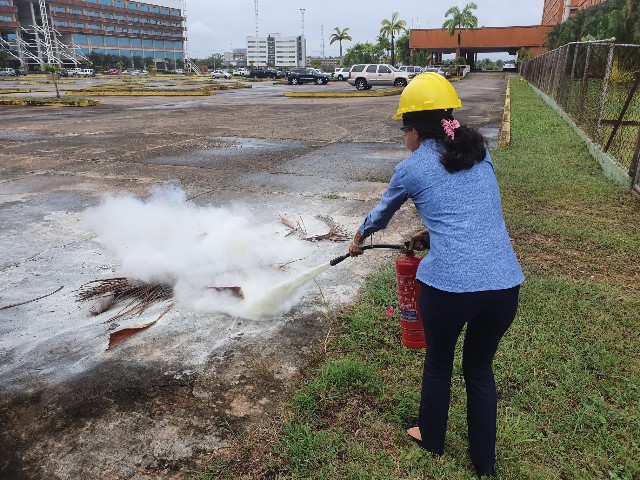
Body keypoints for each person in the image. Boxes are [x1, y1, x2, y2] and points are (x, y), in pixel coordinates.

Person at [349, 73, 524, 478]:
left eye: (403, 130)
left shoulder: (411, 167)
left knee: (439, 364)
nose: (404, 138)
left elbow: (380, 216)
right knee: (479, 370)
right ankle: (485, 464)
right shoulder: (480, 153)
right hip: (504, 288)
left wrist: (358, 237)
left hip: (449, 289)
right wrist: (430, 233)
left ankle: (431, 436)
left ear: (413, 130)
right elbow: (472, 213)